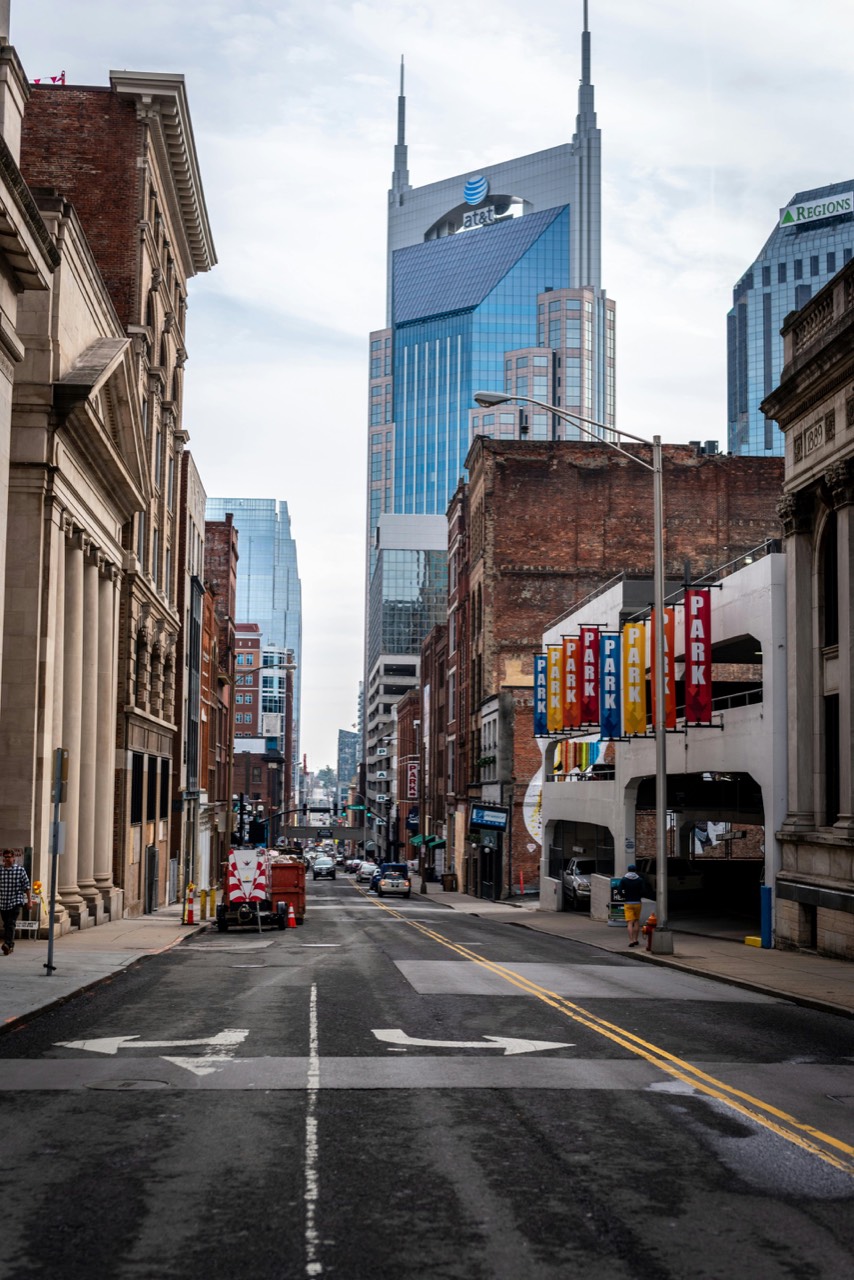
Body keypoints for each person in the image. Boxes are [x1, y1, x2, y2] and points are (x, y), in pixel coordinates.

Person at [0, 848, 32, 955]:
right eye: (5, 857)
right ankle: (10, 945)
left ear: (13, 858)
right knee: (6, 923)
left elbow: (27, 886)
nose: (7, 859)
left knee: (10, 923)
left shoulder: (20, 870)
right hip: (3, 901)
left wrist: (29, 901)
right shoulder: (1, 870)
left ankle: (7, 944)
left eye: (9, 857)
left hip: (15, 901)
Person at [619, 862, 646, 947]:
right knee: (636, 921)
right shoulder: (640, 880)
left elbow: (619, 890)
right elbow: (644, 891)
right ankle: (635, 939)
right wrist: (639, 895)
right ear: (635, 870)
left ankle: (630, 940)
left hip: (628, 903)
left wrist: (624, 896)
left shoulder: (624, 879)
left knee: (630, 923)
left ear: (628, 870)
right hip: (637, 902)